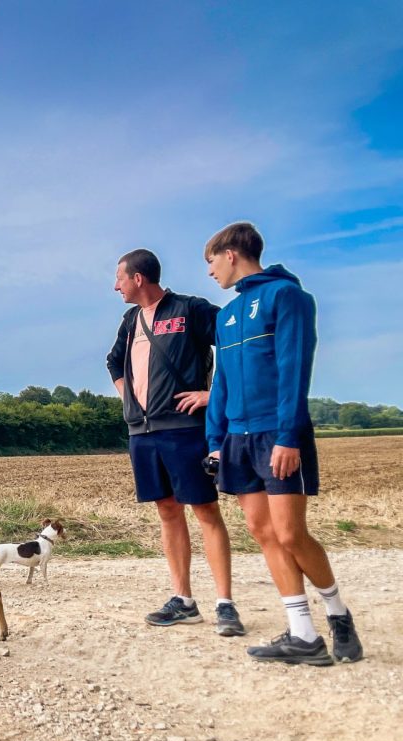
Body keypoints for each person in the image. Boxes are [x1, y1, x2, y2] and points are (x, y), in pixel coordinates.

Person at [204, 222, 363, 665]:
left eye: (211, 261)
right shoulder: (225, 316)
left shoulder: (287, 297)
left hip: (277, 433)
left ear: (231, 253)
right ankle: (303, 634)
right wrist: (216, 439)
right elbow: (221, 384)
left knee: (291, 533)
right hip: (237, 437)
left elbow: (295, 369)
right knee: (261, 531)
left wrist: (289, 435)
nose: (210, 271)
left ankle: (337, 614)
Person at [105, 249, 244, 637]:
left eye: (119, 277)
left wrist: (212, 394)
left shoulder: (190, 309)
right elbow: (114, 362)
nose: (115, 285)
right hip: (142, 433)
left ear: (138, 278)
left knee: (204, 511)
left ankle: (225, 604)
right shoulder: (130, 320)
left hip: (184, 429)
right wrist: (128, 398)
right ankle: (183, 601)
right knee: (167, 511)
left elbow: (236, 344)